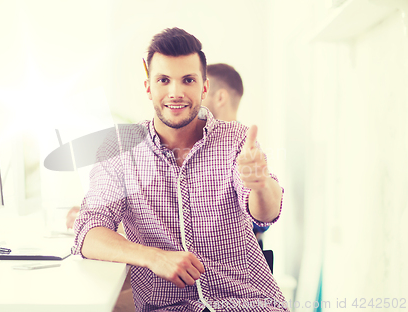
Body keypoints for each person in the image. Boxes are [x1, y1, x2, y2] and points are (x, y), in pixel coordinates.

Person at [71, 28, 288, 312]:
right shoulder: (119, 149)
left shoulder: (236, 138)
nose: (176, 93)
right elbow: (88, 232)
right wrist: (154, 257)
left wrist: (260, 185)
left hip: (248, 304)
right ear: (148, 87)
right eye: (163, 80)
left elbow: (266, 213)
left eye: (188, 80)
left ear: (204, 87)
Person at [202, 63, 270, 245]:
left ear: (220, 97)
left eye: (203, 91)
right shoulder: (198, 145)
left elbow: (261, 220)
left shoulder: (247, 150)